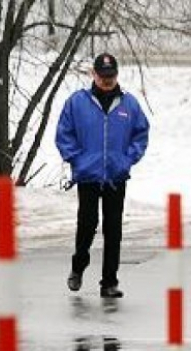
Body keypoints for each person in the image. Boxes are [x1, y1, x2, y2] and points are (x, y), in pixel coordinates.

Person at [56, 53, 150, 298]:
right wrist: (76, 159)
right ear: (93, 75)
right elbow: (64, 134)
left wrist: (127, 159)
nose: (108, 80)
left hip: (116, 177)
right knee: (87, 225)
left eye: (111, 76)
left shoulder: (129, 104)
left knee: (113, 229)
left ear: (116, 74)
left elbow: (141, 134)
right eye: (103, 76)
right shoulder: (77, 102)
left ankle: (109, 282)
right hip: (88, 175)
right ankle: (78, 266)